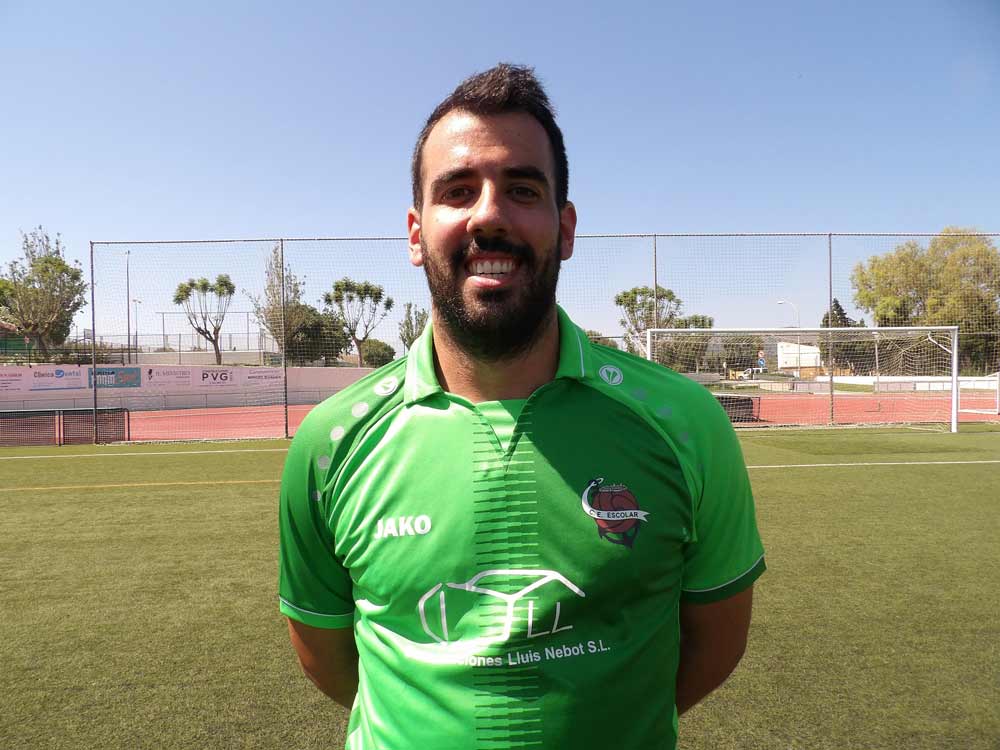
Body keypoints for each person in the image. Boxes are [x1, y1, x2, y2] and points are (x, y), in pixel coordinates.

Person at [279, 63, 765, 750]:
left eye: (522, 190)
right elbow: (326, 658)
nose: (489, 214)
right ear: (416, 233)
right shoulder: (331, 442)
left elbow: (714, 645)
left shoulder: (685, 423)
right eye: (458, 191)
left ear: (564, 228)